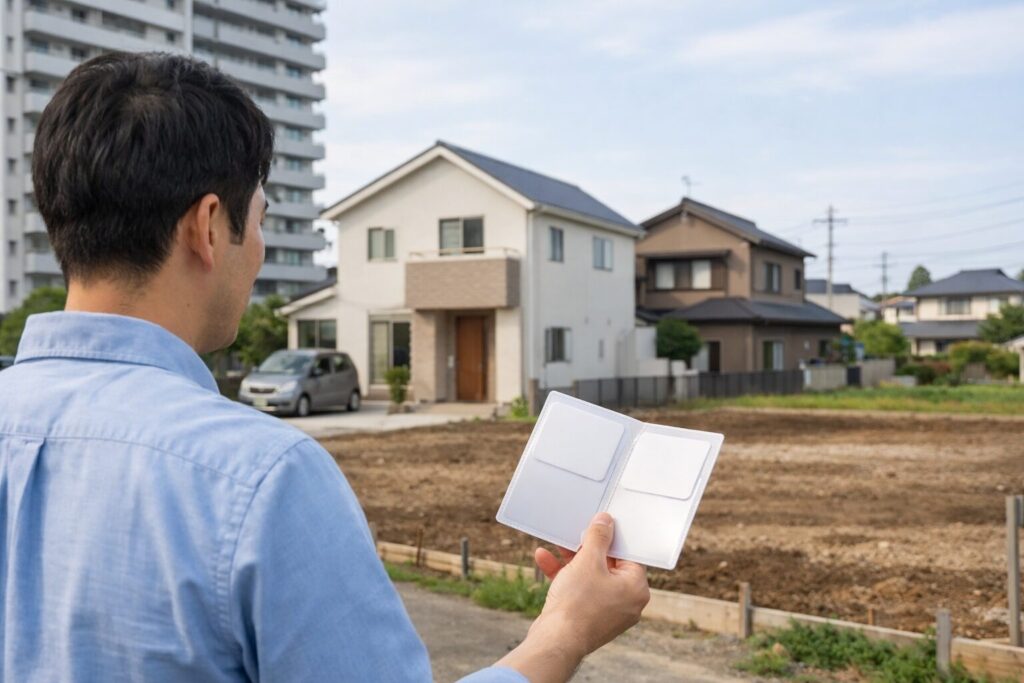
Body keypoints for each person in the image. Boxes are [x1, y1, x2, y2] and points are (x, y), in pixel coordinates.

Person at [0, 52, 650, 682]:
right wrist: (564, 631)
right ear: (205, 226)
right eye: (258, 220)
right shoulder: (256, 479)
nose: (256, 252)